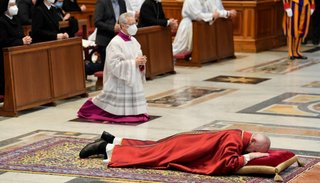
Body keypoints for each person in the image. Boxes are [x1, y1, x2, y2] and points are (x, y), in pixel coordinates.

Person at [79, 129, 270, 175]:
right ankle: (105, 148)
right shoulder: (235, 141)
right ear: (252, 141)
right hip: (184, 149)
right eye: (254, 148)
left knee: (151, 147)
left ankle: (113, 139)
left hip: (186, 142)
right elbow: (226, 164)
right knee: (151, 156)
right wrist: (248, 157)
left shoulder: (240, 135)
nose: (252, 151)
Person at [77, 12, 149, 123]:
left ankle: (134, 111)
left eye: (135, 23)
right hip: (119, 82)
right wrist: (133, 63)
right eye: (131, 24)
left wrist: (141, 62)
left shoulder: (134, 41)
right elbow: (114, 65)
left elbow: (137, 57)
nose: (134, 26)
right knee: (105, 104)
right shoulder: (115, 43)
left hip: (132, 80)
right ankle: (89, 108)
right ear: (123, 26)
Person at [172, 0, 237, 56]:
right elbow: (197, 16)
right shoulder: (191, 0)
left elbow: (214, 10)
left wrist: (227, 13)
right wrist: (211, 15)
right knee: (181, 48)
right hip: (189, 25)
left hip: (198, 25)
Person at [0, 0, 32, 98]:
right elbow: (3, 42)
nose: (15, 7)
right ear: (5, 7)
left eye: (15, 4)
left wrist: (26, 39)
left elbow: (20, 35)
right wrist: (21, 41)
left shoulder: (16, 19)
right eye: (11, 5)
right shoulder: (1, 21)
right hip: (4, 56)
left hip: (18, 53)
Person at [91, 0, 127, 74]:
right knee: (108, 68)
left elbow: (125, 18)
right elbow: (97, 22)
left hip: (119, 39)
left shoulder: (122, 2)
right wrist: (112, 28)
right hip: (105, 40)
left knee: (120, 66)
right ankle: (88, 68)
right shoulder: (102, 2)